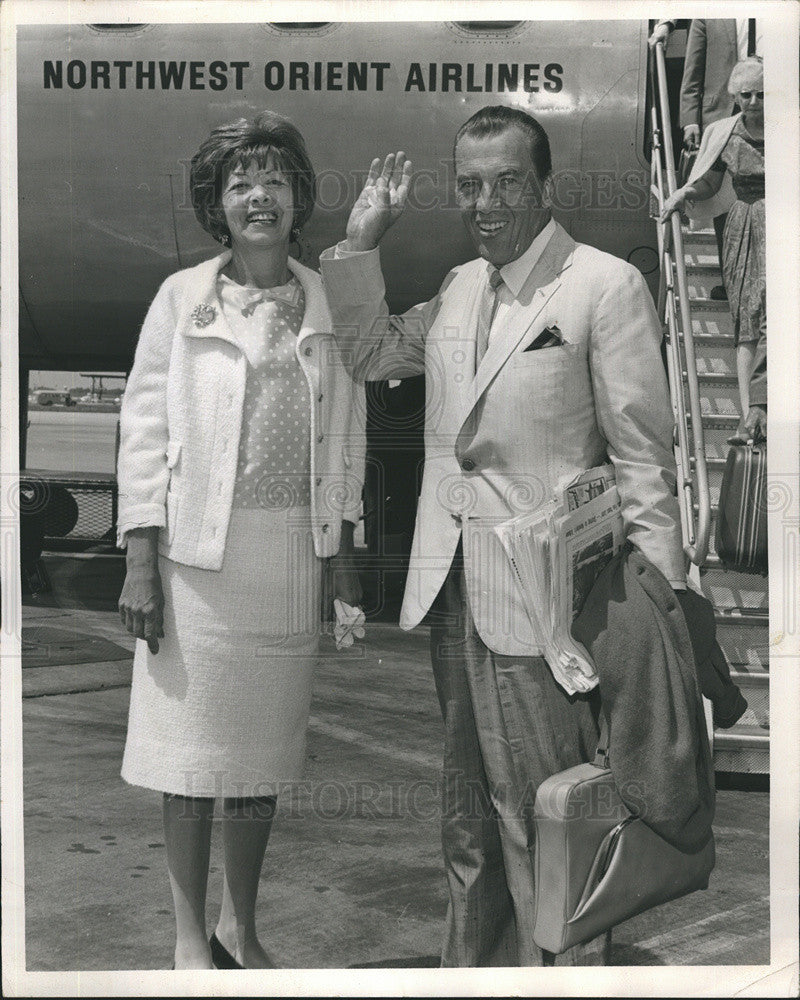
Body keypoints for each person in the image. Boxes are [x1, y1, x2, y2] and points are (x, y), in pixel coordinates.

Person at [320, 105, 686, 967]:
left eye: (507, 181)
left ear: (546, 186)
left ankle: (558, 977)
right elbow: (369, 353)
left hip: (546, 602)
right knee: (469, 821)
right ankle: (472, 973)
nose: (487, 203)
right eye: (471, 185)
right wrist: (359, 242)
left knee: (546, 817)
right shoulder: (455, 289)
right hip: (450, 590)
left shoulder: (602, 285)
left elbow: (643, 459)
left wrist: (668, 612)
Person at [116, 111, 365, 970]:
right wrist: (140, 560)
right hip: (193, 561)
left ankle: (238, 927)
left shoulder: (326, 298)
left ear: (299, 198)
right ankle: (188, 940)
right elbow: (142, 429)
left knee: (258, 761)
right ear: (216, 204)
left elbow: (351, 430)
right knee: (190, 760)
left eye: (275, 180)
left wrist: (340, 561)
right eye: (239, 182)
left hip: (290, 558)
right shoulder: (183, 299)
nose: (259, 196)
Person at [661, 58, 766, 444]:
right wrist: (682, 192)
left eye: (761, 93)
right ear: (734, 97)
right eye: (745, 95)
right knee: (746, 323)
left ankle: (769, 411)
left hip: (783, 226)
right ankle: (746, 416)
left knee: (777, 318)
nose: (753, 102)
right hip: (743, 226)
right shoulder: (724, 132)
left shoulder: (787, 128)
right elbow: (707, 184)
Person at [650, 17, 762, 299]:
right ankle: (731, 280)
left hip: (766, 112)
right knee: (726, 203)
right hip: (721, 116)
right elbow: (693, 69)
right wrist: (690, 119)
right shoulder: (709, 15)